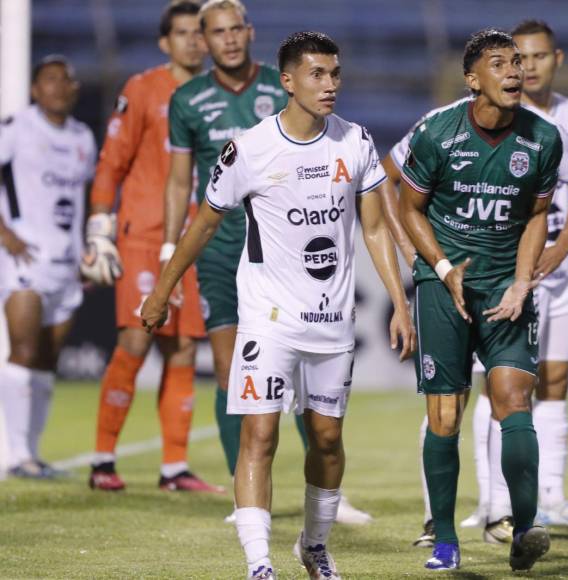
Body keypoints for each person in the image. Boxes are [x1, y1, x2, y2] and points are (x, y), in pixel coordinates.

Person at [142, 31, 414, 580]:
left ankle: (313, 546)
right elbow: (205, 222)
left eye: (335, 73)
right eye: (317, 74)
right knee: (260, 435)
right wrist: (164, 287)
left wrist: (400, 301)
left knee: (328, 440)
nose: (330, 84)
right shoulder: (249, 149)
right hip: (268, 319)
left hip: (333, 320)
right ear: (287, 81)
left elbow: (377, 226)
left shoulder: (354, 141)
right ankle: (258, 562)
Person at [162, 0, 372, 524]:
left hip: (290, 253)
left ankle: (322, 493)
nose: (230, 39)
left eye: (238, 29)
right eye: (218, 31)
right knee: (235, 372)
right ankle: (248, 498)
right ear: (203, 39)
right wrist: (170, 254)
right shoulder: (187, 100)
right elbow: (178, 180)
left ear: (250, 33)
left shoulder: (290, 92)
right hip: (223, 252)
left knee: (311, 389)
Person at [399, 29, 568, 572]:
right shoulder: (436, 133)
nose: (515, 71)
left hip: (504, 285)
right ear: (473, 80)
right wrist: (444, 268)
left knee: (514, 402)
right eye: (500, 64)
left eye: (518, 63)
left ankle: (525, 529)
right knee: (446, 414)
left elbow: (538, 215)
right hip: (442, 284)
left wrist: (523, 282)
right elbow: (410, 209)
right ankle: (447, 539)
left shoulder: (544, 138)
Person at [83, 0, 221, 493]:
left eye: (198, 32)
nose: (192, 41)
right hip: (143, 232)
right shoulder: (143, 89)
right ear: (165, 42)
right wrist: (99, 221)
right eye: (182, 33)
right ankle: (102, 459)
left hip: (195, 236)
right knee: (137, 339)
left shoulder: (218, 95)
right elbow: (112, 160)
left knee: (183, 348)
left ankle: (173, 468)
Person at [0, 55, 96, 478]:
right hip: (25, 258)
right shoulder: (17, 128)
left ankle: (32, 455)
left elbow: (83, 198)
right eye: (49, 80)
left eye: (66, 79)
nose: (58, 86)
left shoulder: (83, 137)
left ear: (75, 89)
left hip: (67, 262)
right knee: (22, 348)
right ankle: (16, 454)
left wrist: (85, 252)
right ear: (35, 89)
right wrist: (5, 234)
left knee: (46, 357)